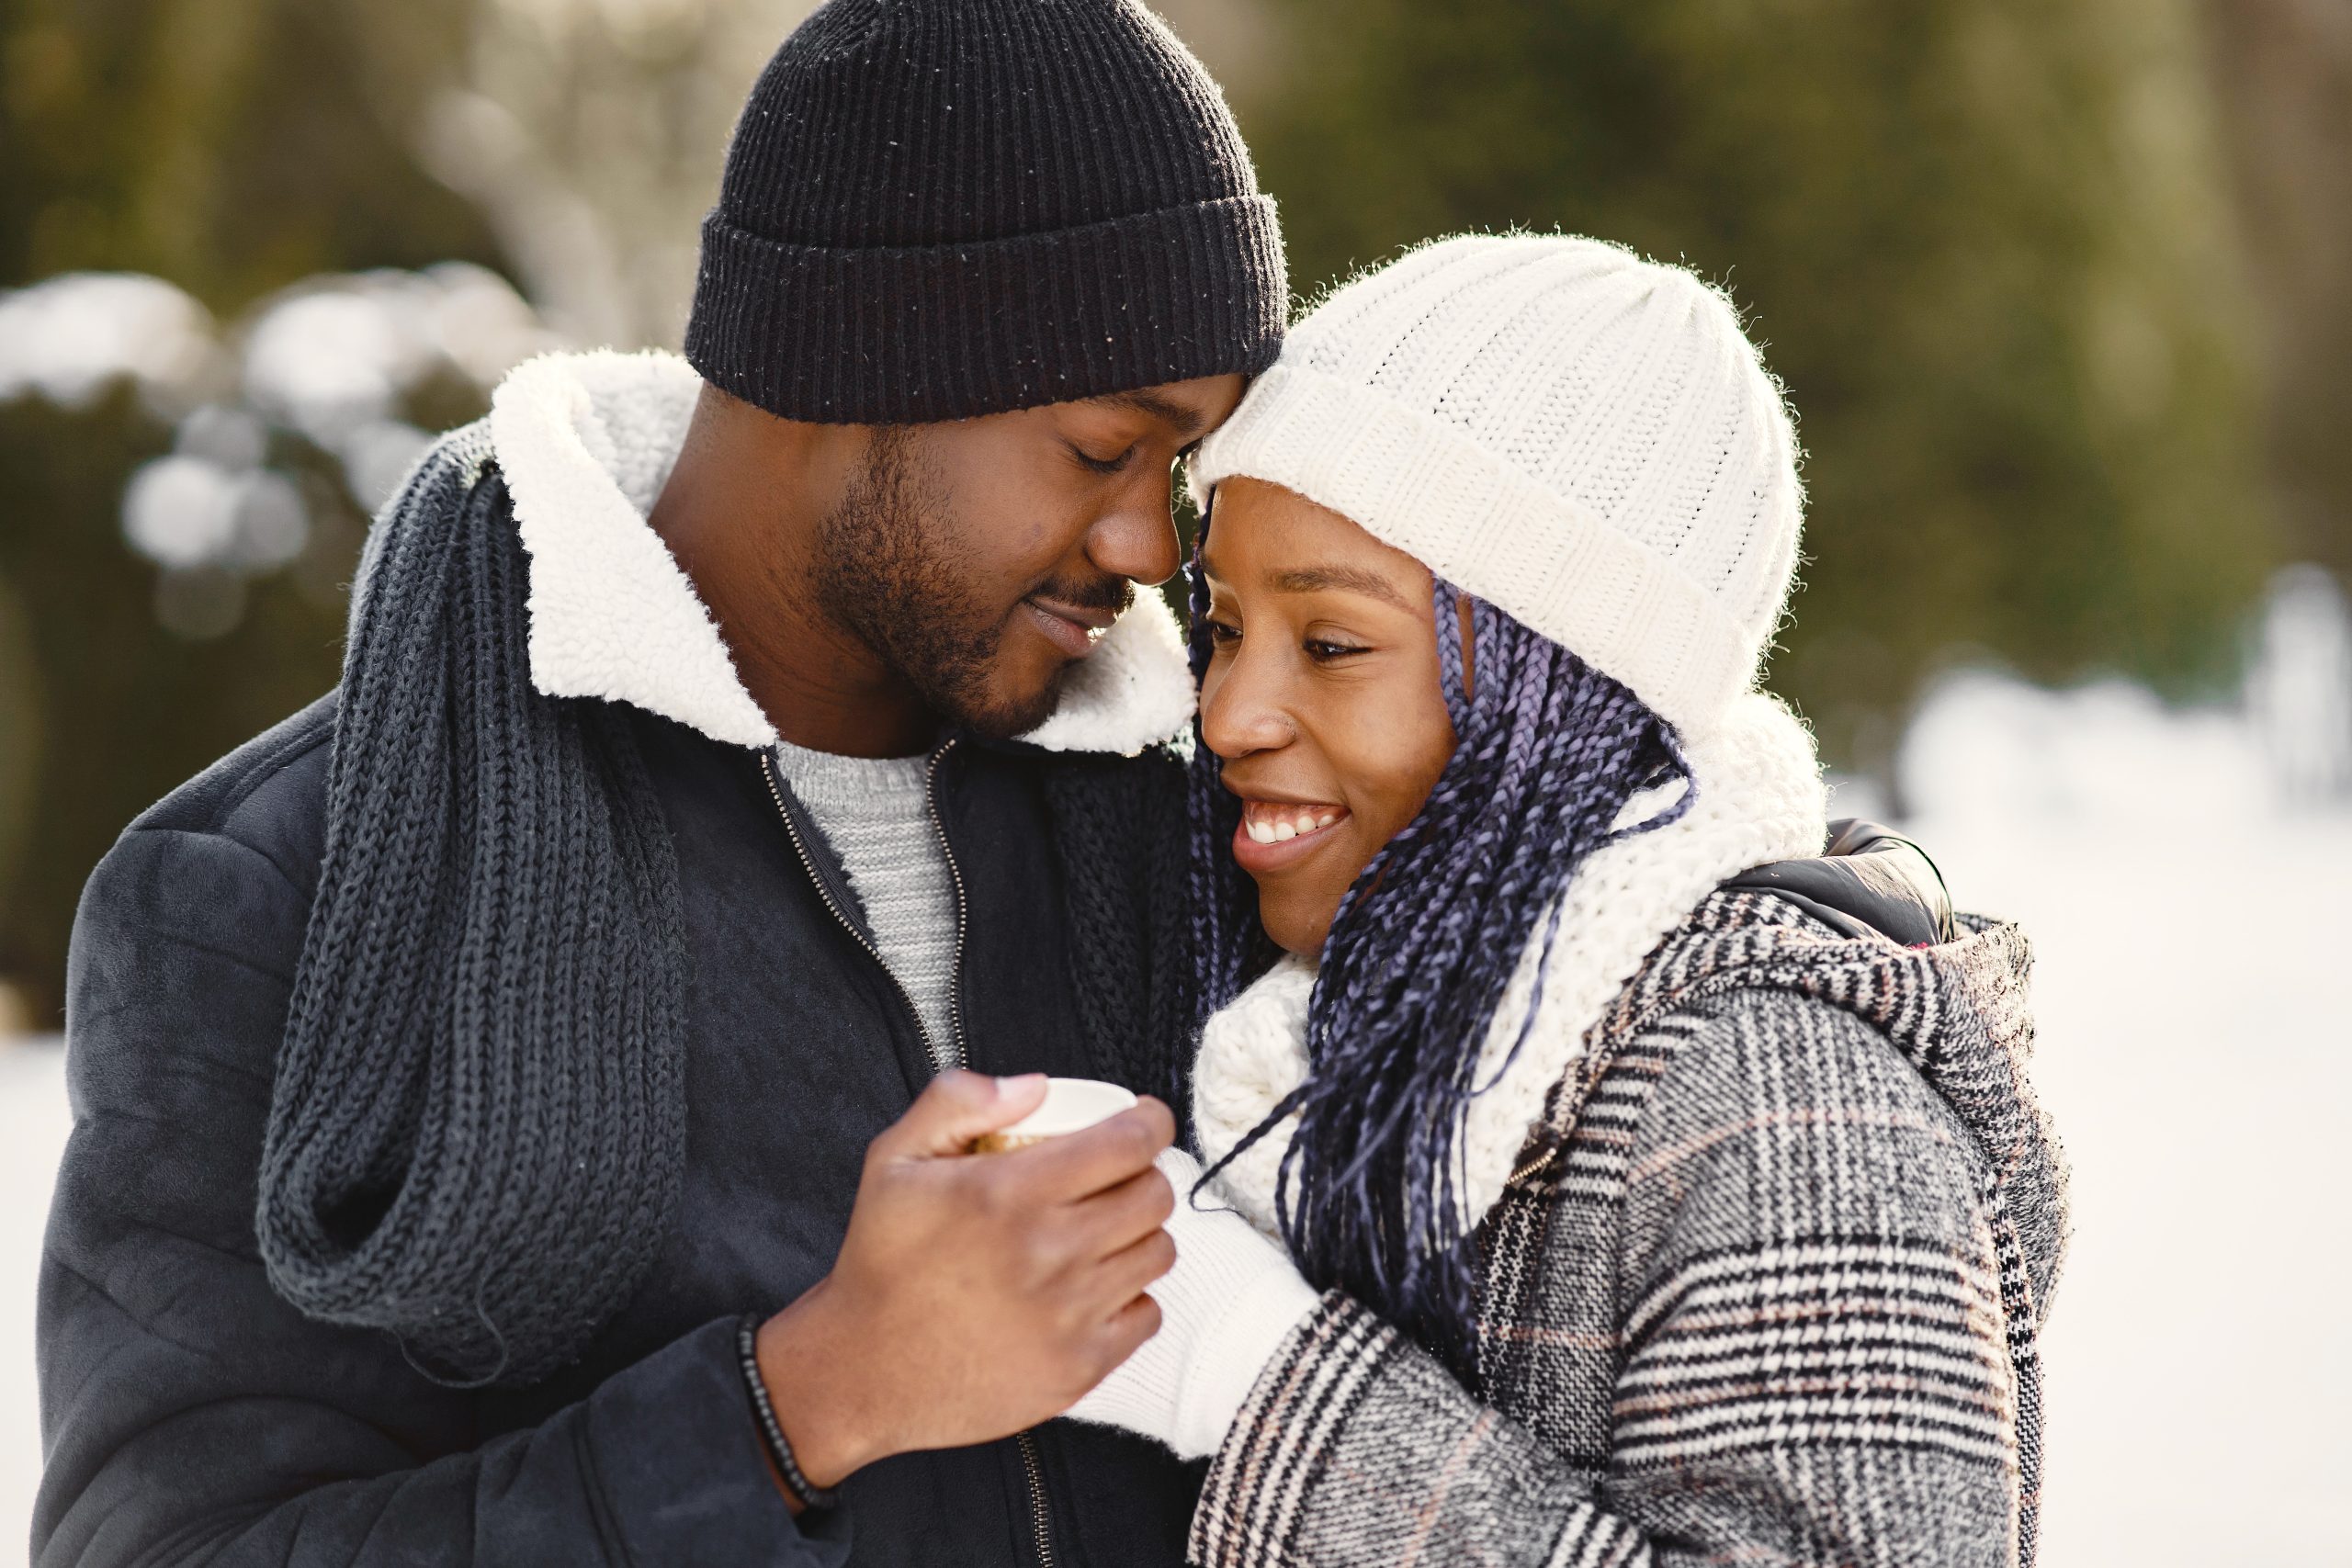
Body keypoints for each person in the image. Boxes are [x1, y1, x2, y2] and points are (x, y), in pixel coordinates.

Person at [35, 4, 1286, 1565]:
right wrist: (802, 1401)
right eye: (1105, 448)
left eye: (1184, 472)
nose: (1147, 549)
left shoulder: (1201, 830)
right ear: (853, 354)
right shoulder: (270, 892)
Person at [1059, 235, 2070, 1567]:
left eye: (1334, 644)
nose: (1230, 711)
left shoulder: (1765, 1089)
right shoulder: (1352, 1024)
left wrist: (1256, 1376)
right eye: (1228, 624)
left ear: (1564, 692)